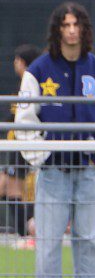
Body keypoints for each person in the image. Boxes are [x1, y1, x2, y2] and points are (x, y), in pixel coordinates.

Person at [15, 3, 95, 278]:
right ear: (57, 30)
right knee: (47, 243)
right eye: (66, 25)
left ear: (84, 29)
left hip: (88, 171)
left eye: (76, 25)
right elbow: (24, 119)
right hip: (52, 174)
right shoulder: (38, 70)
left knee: (92, 243)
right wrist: (41, 156)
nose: (72, 31)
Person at [2, 45, 41, 235]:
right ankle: (27, 230)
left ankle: (27, 233)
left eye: (17, 60)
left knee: (12, 188)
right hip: (14, 145)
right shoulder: (21, 87)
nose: (14, 63)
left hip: (23, 146)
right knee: (5, 187)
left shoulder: (32, 86)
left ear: (24, 63)